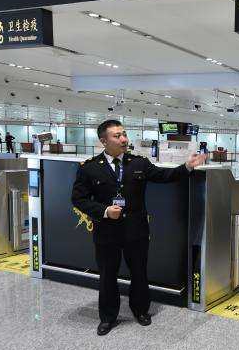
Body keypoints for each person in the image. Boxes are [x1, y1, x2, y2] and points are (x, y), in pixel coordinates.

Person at [71, 120, 207, 336]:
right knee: (107, 275)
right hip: (106, 232)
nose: (124, 139)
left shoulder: (139, 163)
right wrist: (105, 210)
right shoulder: (89, 168)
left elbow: (164, 176)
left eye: (124, 134)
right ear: (104, 141)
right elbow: (78, 199)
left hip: (136, 230)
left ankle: (141, 310)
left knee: (139, 272)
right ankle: (108, 317)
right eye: (117, 136)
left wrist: (187, 166)